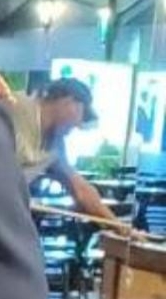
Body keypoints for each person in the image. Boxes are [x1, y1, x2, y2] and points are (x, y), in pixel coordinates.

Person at [9, 77, 122, 226]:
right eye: (81, 113)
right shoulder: (13, 107)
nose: (78, 125)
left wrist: (119, 226)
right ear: (68, 102)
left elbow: (81, 190)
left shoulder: (55, 145)